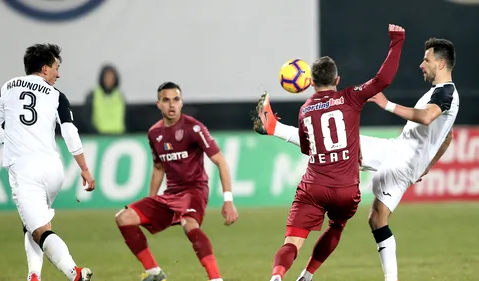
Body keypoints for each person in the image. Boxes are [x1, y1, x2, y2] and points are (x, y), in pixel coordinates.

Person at [254, 37, 457, 281]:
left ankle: (274, 128)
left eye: (427, 59)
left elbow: (426, 118)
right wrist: (428, 165)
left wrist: (387, 104)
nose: (421, 64)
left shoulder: (447, 93)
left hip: (403, 159)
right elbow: (448, 136)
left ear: (441, 63)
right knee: (376, 218)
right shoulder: (436, 93)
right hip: (401, 153)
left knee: (337, 141)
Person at [0, 44, 96, 281]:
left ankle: (74, 273)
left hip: (25, 171)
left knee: (40, 231)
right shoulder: (57, 95)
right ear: (44, 69)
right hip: (53, 169)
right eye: (56, 68)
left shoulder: (8, 87)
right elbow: (69, 133)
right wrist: (84, 168)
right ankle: (33, 275)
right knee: (32, 223)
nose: (58, 74)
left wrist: (14, 141)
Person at [115, 82, 239, 281]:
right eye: (166, 100)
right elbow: (158, 168)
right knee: (124, 218)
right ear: (159, 104)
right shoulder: (154, 133)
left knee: (189, 223)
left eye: (176, 100)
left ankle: (216, 279)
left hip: (195, 190)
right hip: (171, 194)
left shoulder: (194, 128)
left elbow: (221, 162)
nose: (172, 105)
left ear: (181, 103)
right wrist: (152, 200)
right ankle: (155, 273)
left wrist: (228, 200)